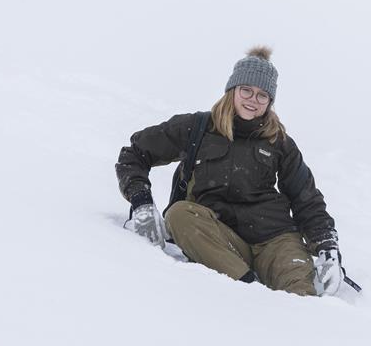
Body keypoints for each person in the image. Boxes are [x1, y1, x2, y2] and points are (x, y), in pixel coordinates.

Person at [115, 46, 342, 296]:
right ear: (232, 90)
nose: (253, 100)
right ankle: (246, 289)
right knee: (180, 215)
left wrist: (327, 248)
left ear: (270, 102)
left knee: (302, 297)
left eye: (262, 95)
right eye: (246, 90)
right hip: (219, 239)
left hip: (276, 240)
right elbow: (134, 154)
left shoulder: (280, 142)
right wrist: (142, 203)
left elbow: (306, 199)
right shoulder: (197, 128)